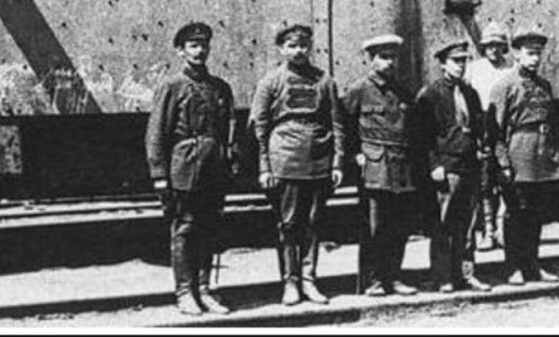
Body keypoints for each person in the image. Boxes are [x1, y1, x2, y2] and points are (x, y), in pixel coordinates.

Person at [145, 21, 237, 316]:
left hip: (213, 168)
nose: (200, 51)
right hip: (184, 167)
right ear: (181, 51)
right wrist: (159, 175)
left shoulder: (220, 87)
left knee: (209, 228)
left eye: (204, 45)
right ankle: (185, 292)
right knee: (185, 228)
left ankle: (205, 290)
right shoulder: (171, 86)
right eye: (193, 46)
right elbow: (156, 133)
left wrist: (230, 160)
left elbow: (230, 129)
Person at [250, 23, 345, 306]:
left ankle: (309, 279)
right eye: (292, 46)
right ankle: (290, 281)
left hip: (318, 159)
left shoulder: (324, 80)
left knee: (314, 222)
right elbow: (259, 127)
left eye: (304, 45)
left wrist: (337, 162)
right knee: (289, 224)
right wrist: (265, 167)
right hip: (285, 158)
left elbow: (337, 123)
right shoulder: (271, 81)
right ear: (281, 49)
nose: (299, 51)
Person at [342, 33, 420, 297]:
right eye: (384, 57)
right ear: (371, 59)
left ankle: (394, 276)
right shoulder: (359, 90)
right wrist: (354, 154)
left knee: (400, 226)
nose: (389, 62)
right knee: (375, 226)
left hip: (401, 165)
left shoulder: (403, 91)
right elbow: (343, 124)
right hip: (375, 166)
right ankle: (373, 280)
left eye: (393, 57)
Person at [415, 39, 492, 293]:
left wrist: (480, 150)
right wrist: (434, 165)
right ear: (443, 64)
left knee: (468, 224)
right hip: (447, 168)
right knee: (444, 224)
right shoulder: (430, 95)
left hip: (469, 165)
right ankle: (443, 276)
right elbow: (422, 137)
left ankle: (466, 274)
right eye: (455, 61)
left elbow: (478, 127)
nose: (461, 66)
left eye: (464, 61)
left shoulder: (470, 93)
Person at [490, 26, 559, 286]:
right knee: (516, 212)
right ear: (517, 54)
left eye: (538, 53)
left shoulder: (544, 85)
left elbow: (550, 121)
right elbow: (495, 130)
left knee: (536, 213)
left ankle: (532, 264)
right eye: (530, 53)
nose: (535, 58)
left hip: (542, 154)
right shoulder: (504, 86)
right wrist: (503, 162)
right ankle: (514, 267)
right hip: (518, 153)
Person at [467, 20, 515, 250]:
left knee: (506, 180)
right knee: (485, 183)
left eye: (498, 45)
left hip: (505, 129)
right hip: (483, 128)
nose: (493, 50)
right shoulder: (474, 69)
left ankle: (502, 228)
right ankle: (488, 230)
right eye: (489, 45)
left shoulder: (512, 69)